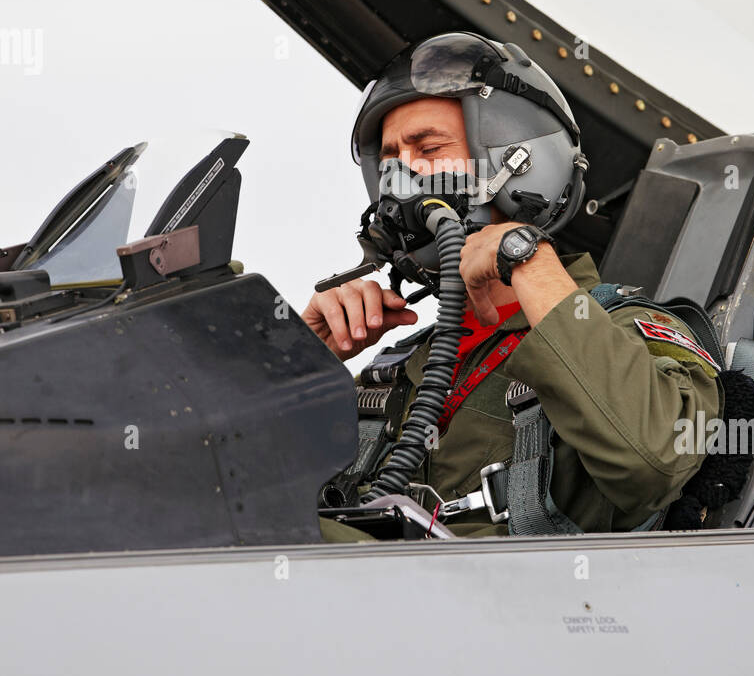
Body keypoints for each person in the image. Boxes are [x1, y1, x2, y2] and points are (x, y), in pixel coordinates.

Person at [302, 32, 722, 539]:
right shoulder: (393, 372)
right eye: (389, 160)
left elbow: (652, 459)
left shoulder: (632, 331)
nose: (399, 177)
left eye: (428, 149)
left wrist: (525, 259)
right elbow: (241, 504)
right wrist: (297, 367)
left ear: (521, 161)